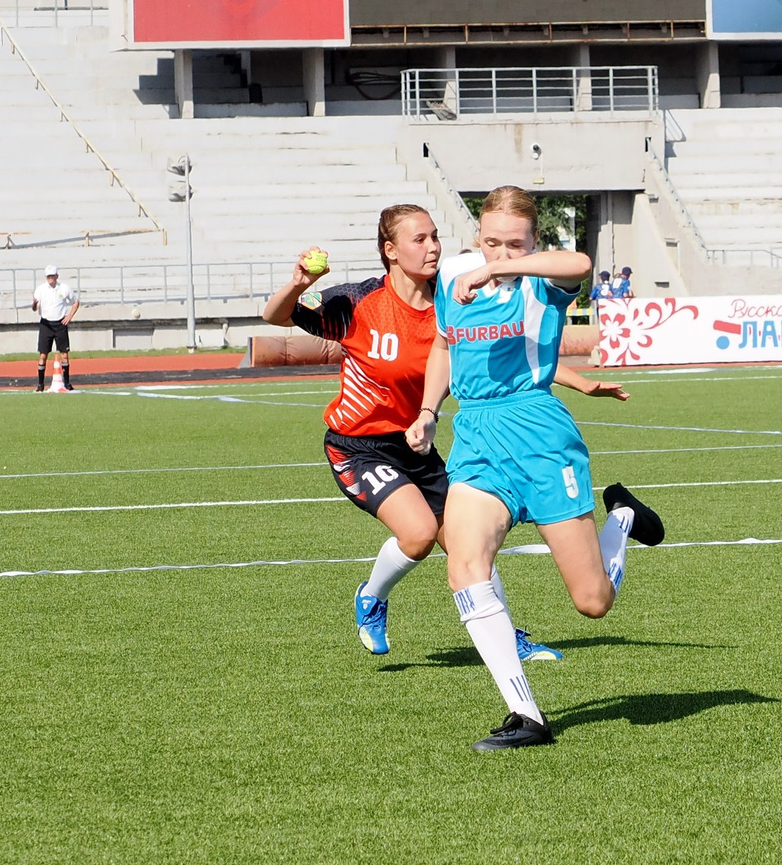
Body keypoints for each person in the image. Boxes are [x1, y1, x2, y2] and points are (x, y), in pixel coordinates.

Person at [258, 204, 632, 662]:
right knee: (418, 534)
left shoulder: (455, 294)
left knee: (463, 546)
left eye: (435, 236)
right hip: (359, 445)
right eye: (420, 240)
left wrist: (579, 381)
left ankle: (507, 634)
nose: (433, 247)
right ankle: (372, 597)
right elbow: (276, 316)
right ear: (390, 251)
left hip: (419, 441)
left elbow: (500, 354)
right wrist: (299, 282)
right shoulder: (358, 303)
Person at [408, 186, 667, 752]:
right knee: (465, 559)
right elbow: (444, 348)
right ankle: (526, 714)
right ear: (476, 235)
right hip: (476, 435)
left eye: (516, 242)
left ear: (532, 242)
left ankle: (620, 517)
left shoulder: (544, 278)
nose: (500, 252)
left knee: (593, 602)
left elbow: (580, 263)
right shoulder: (454, 275)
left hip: (539, 436)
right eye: (492, 241)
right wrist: (428, 411)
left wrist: (508, 266)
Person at [30, 265, 79, 391]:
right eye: (48, 276)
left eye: (52, 276)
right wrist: (35, 303)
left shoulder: (64, 288)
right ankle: (40, 385)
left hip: (60, 323)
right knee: (43, 355)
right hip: (46, 323)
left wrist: (69, 316)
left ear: (57, 276)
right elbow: (34, 308)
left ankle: (67, 383)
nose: (51, 279)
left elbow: (76, 302)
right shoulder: (40, 289)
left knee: (64, 354)